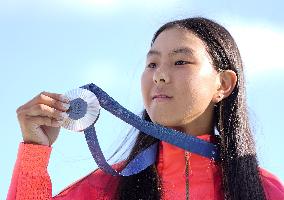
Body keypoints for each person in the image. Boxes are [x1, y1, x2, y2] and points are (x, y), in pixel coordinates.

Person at [7, 17, 284, 200]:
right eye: (152, 64)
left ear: (223, 84)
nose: (158, 75)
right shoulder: (102, 189)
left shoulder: (267, 192)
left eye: (180, 62)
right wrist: (34, 152)